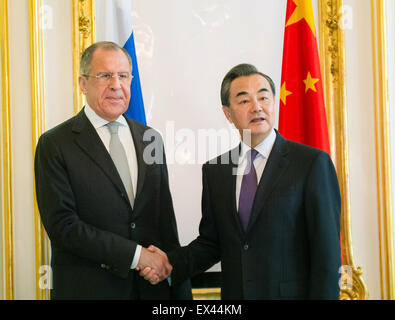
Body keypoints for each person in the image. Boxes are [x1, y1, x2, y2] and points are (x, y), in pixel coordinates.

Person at [141, 63, 341, 299]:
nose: (257, 107)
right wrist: (168, 263)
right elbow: (212, 244)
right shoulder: (217, 171)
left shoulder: (311, 163)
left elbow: (326, 254)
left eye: (263, 97)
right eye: (244, 100)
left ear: (273, 103)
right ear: (228, 113)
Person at [34, 41, 191, 300]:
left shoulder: (151, 138)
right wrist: (137, 255)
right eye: (105, 75)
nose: (116, 85)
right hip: (89, 290)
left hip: (150, 291)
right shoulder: (55, 144)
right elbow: (63, 227)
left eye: (123, 76)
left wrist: (179, 291)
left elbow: (165, 223)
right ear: (83, 83)